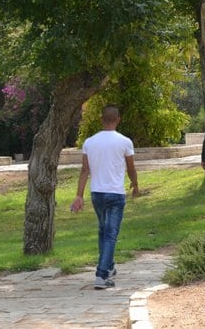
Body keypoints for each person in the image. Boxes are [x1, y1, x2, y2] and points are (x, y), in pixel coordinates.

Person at [71, 105, 140, 289]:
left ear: (102, 120)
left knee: (103, 231)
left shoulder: (90, 142)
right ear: (118, 119)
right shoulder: (125, 142)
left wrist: (79, 195)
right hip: (116, 193)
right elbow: (131, 168)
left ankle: (108, 266)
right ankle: (101, 275)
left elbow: (85, 170)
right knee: (110, 234)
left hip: (97, 193)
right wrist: (135, 185)